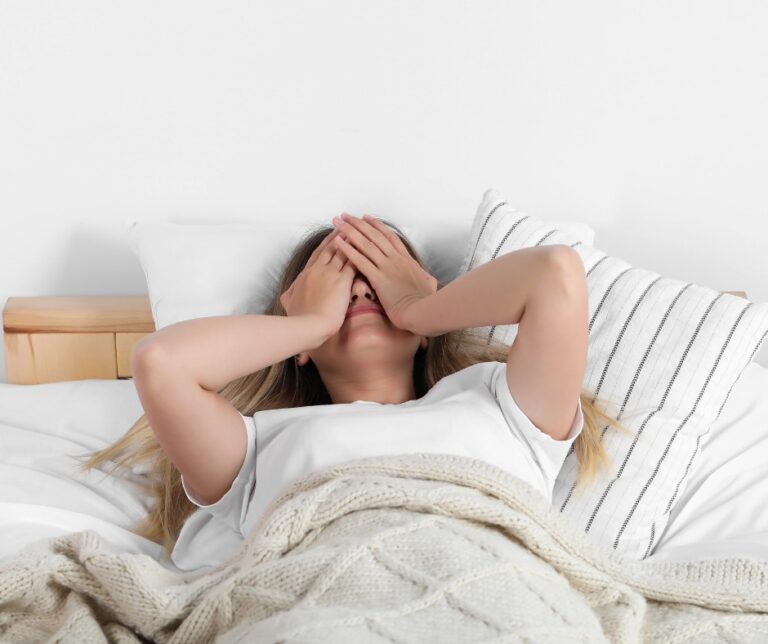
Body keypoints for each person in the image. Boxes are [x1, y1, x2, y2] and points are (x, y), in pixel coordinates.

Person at [79, 212, 631, 572]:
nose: (362, 287)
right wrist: (309, 323)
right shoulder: (254, 447)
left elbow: (555, 274)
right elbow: (161, 363)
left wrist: (420, 307)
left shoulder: (500, 404)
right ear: (297, 340)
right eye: (340, 280)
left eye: (379, 278)